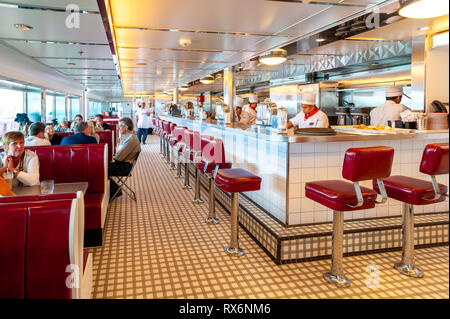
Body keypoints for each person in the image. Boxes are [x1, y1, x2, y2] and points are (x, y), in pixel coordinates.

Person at [109, 117, 141, 198]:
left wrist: (114, 156)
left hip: (125, 167)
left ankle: (115, 190)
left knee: (102, 169)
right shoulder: (129, 137)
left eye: (120, 126)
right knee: (103, 167)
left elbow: (118, 158)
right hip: (124, 164)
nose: (119, 128)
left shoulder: (131, 139)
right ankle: (115, 189)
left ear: (126, 127)